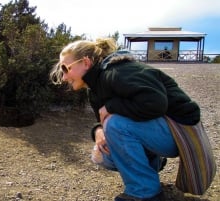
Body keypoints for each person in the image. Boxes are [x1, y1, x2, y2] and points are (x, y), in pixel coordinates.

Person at [49, 38, 201, 201]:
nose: (64, 77)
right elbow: (102, 118)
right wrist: (99, 130)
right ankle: (151, 164)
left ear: (86, 62)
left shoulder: (118, 72)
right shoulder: (95, 89)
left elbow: (155, 103)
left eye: (65, 68)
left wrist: (111, 107)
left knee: (115, 124)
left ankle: (145, 192)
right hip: (162, 132)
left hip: (184, 133)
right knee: (102, 154)